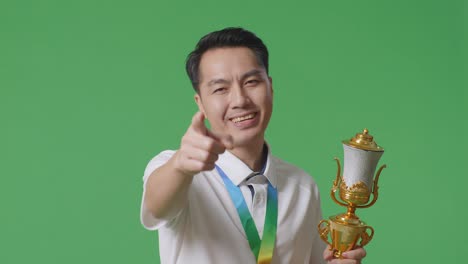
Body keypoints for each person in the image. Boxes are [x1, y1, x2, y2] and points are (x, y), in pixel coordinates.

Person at [140, 27, 367, 264]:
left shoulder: (303, 187)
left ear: (270, 87)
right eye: (220, 89)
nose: (240, 100)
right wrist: (180, 167)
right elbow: (157, 209)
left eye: (251, 82)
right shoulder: (178, 172)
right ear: (201, 103)